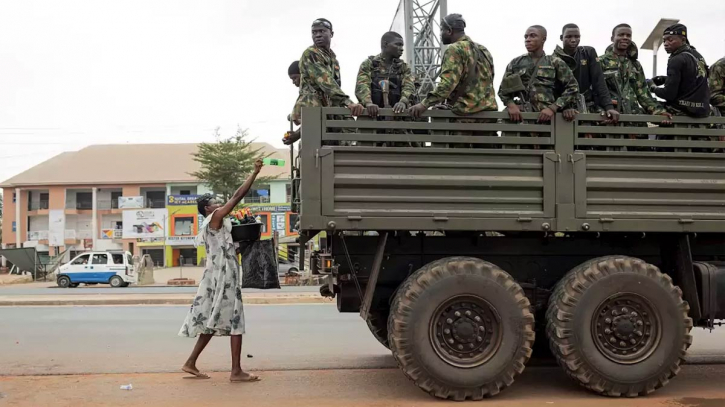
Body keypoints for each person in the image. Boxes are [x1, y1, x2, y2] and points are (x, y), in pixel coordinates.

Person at [178, 159, 264, 383]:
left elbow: (233, 247)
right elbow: (236, 197)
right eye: (214, 202)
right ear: (207, 209)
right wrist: (254, 173)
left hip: (217, 274)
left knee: (211, 320)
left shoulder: (219, 224)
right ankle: (236, 371)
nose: (219, 204)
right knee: (236, 319)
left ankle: (190, 363)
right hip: (223, 276)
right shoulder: (214, 218)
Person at [408, 14, 498, 147]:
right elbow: (489, 80)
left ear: (449, 31)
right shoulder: (483, 50)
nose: (440, 34)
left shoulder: (455, 49)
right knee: (485, 163)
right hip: (488, 117)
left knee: (459, 163)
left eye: (441, 30)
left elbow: (446, 85)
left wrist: (424, 104)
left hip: (464, 118)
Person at [499, 25, 579, 124]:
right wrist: (511, 105)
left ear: (543, 39)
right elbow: (503, 90)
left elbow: (573, 88)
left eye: (533, 36)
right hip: (521, 119)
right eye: (526, 37)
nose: (528, 40)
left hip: (546, 120)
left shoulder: (555, 62)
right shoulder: (515, 63)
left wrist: (553, 108)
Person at [291, 18, 364, 127]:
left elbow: (336, 87)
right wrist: (349, 103)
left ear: (331, 34)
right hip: (312, 108)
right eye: (314, 32)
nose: (318, 35)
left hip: (326, 109)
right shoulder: (311, 54)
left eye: (322, 31)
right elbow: (326, 82)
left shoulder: (332, 58)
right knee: (314, 142)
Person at [355, 31, 416, 146]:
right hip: (373, 118)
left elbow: (409, 86)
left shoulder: (403, 67)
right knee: (367, 156)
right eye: (398, 44)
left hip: (397, 119)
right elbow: (361, 86)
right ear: (385, 44)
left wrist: (403, 101)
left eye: (402, 45)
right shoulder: (369, 64)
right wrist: (368, 103)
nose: (401, 48)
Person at [598, 24, 671, 120]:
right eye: (621, 35)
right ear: (612, 38)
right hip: (611, 117)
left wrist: (658, 111)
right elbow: (595, 92)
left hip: (633, 117)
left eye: (628, 35)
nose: (625, 38)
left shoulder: (635, 65)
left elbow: (643, 93)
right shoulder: (601, 62)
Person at [554, 23, 619, 123]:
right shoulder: (554, 59)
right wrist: (563, 107)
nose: (573, 40)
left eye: (577, 36)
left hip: (588, 105)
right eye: (568, 36)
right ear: (561, 38)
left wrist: (608, 106)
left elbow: (598, 81)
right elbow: (553, 88)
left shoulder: (588, 53)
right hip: (563, 109)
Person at [648, 24, 710, 118]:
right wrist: (666, 79)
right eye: (664, 40)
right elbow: (693, 79)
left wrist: (652, 86)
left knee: (647, 105)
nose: (665, 43)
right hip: (702, 111)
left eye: (670, 40)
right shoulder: (698, 55)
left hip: (681, 111)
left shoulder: (676, 59)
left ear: (683, 40)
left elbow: (669, 94)